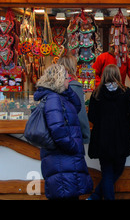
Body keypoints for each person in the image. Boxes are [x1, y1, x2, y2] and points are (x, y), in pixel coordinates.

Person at [34, 63, 93, 200]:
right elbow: (57, 129)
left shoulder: (59, 96)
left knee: (69, 192)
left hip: (65, 160)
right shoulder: (54, 99)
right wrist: (72, 147)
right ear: (59, 79)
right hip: (62, 159)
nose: (69, 80)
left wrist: (66, 90)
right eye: (66, 78)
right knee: (65, 193)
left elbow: (77, 107)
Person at [87, 64, 130, 200]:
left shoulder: (96, 93)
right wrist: (126, 123)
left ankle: (96, 195)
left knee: (107, 172)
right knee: (118, 169)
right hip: (121, 138)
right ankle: (96, 196)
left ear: (104, 75)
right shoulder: (125, 92)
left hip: (102, 138)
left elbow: (91, 116)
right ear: (118, 75)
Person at [58, 54, 90, 144]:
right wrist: (86, 134)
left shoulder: (53, 85)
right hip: (71, 136)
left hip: (55, 135)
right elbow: (81, 114)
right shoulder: (74, 87)